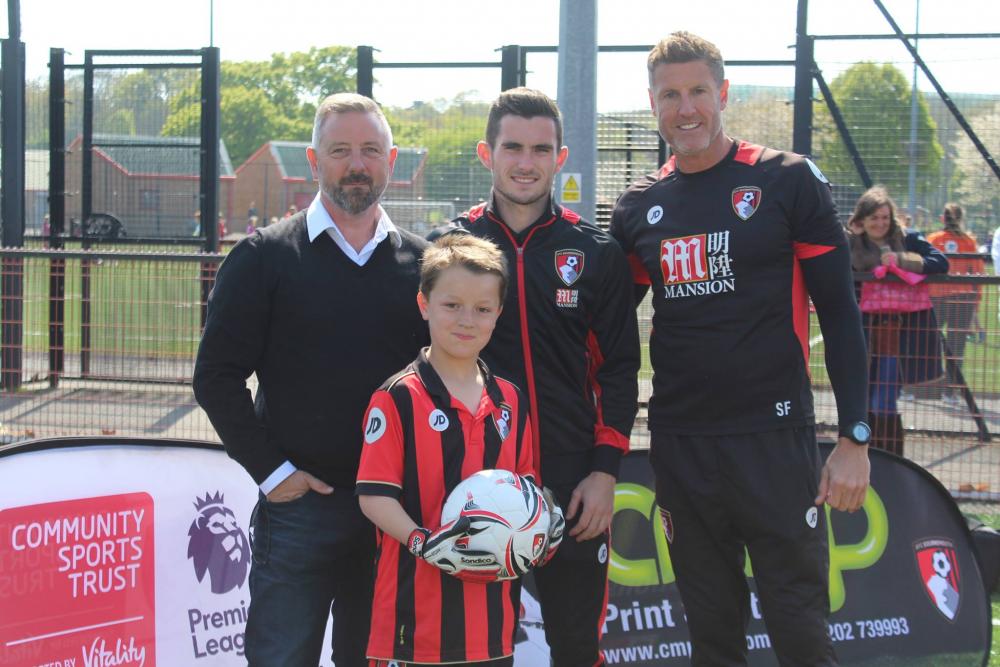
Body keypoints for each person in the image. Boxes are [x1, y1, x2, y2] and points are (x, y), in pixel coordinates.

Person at [610, 32, 871, 666]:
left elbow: (839, 313)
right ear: (653, 105)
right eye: (670, 95)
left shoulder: (787, 181)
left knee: (799, 626)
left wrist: (855, 439)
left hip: (773, 441)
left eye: (698, 90)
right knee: (711, 631)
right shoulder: (639, 207)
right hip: (682, 445)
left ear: (723, 92)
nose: (687, 108)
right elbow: (607, 332)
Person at [193, 92, 429, 666]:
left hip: (393, 514)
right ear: (313, 160)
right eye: (341, 149)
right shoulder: (264, 257)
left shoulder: (425, 265)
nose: (357, 163)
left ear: (391, 160)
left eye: (370, 150)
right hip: (299, 512)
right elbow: (216, 377)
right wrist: (274, 474)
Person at [438, 88, 640, 666]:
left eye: (541, 149)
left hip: (572, 484)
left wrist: (603, 473)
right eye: (513, 148)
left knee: (576, 646)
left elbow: (622, 371)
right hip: (474, 479)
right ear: (487, 153)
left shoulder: (594, 252)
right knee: (474, 648)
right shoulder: (450, 250)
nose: (526, 162)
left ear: (561, 156)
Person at [357, 233, 562, 666]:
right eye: (452, 305)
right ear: (424, 305)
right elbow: (374, 497)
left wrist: (543, 521)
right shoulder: (397, 398)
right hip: (413, 628)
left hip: (493, 629)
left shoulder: (511, 399)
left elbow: (523, 486)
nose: (467, 320)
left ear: (498, 314)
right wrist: (423, 541)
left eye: (482, 309)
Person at [849, 187, 948, 455]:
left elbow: (940, 262)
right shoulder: (853, 244)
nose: (880, 223)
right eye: (873, 218)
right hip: (864, 335)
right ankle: (864, 457)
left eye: (884, 217)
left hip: (899, 334)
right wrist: (851, 239)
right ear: (862, 220)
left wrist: (903, 261)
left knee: (884, 400)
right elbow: (837, 267)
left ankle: (890, 458)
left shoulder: (908, 239)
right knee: (864, 400)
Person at [927, 202, 985, 405]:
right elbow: (978, 276)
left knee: (927, 343)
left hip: (936, 298)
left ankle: (919, 388)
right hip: (962, 300)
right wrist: (975, 308)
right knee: (955, 347)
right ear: (961, 218)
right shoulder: (969, 241)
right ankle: (949, 393)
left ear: (943, 218)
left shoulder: (933, 239)